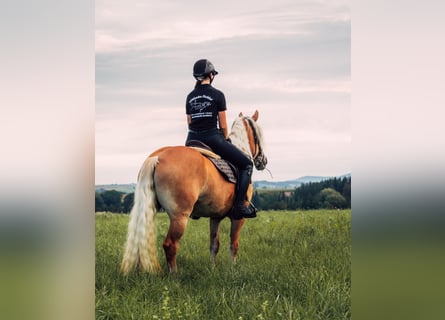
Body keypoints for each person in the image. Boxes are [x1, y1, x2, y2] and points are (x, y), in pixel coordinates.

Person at [185, 59, 256, 219]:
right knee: (247, 164)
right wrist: (225, 140)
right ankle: (239, 207)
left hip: (191, 140)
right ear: (211, 75)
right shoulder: (218, 95)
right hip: (212, 139)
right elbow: (223, 126)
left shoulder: (189, 97)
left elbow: (189, 122)